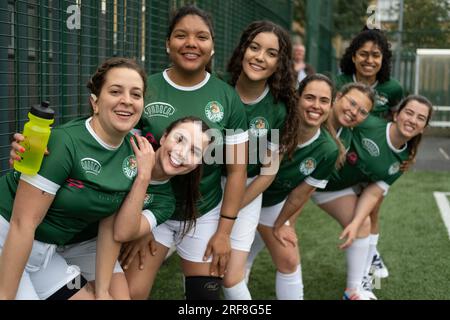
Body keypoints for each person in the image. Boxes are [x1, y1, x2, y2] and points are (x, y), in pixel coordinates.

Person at [117, 5, 248, 300]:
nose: (191, 43)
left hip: (204, 211)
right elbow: (127, 160)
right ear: (167, 43)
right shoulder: (144, 88)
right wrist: (141, 222)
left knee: (205, 299)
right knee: (132, 293)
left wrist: (224, 232)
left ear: (212, 46)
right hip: (151, 207)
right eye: (181, 35)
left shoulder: (227, 97)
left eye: (201, 37)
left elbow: (237, 171)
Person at [0, 57, 153, 300]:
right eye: (115, 91)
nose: (127, 100)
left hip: (45, 255)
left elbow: (109, 227)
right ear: (95, 101)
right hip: (8, 240)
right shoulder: (64, 142)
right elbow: (22, 224)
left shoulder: (133, 156)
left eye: (136, 94)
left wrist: (102, 291)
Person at [311, 95, 433, 299]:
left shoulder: (402, 159)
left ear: (424, 128)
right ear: (396, 114)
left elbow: (373, 193)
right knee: (270, 228)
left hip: (330, 190)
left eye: (420, 118)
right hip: (307, 172)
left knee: (365, 222)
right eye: (409, 113)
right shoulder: (368, 122)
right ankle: (244, 269)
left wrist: (355, 223)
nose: (412, 120)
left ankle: (355, 289)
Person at [245, 74, 346, 300]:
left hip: (271, 202)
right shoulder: (279, 122)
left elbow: (300, 195)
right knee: (225, 257)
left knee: (289, 259)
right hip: (240, 192)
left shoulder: (328, 150)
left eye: (323, 100)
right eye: (309, 98)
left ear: (331, 105)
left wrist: (282, 224)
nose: (316, 106)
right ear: (297, 98)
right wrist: (231, 210)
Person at [219, 20, 299, 299]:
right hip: (204, 186)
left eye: (271, 53)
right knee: (203, 270)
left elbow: (268, 172)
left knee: (230, 277)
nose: (260, 57)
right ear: (243, 50)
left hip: (247, 190)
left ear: (280, 63)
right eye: (254, 48)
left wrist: (232, 207)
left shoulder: (279, 108)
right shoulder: (216, 87)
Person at [336, 27, 405, 279]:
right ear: (353, 56)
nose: (369, 60)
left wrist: (409, 154)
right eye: (363, 54)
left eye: (376, 55)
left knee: (372, 209)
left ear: (383, 59)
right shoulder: (339, 84)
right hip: (342, 159)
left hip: (375, 158)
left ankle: (371, 255)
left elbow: (400, 123)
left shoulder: (393, 89)